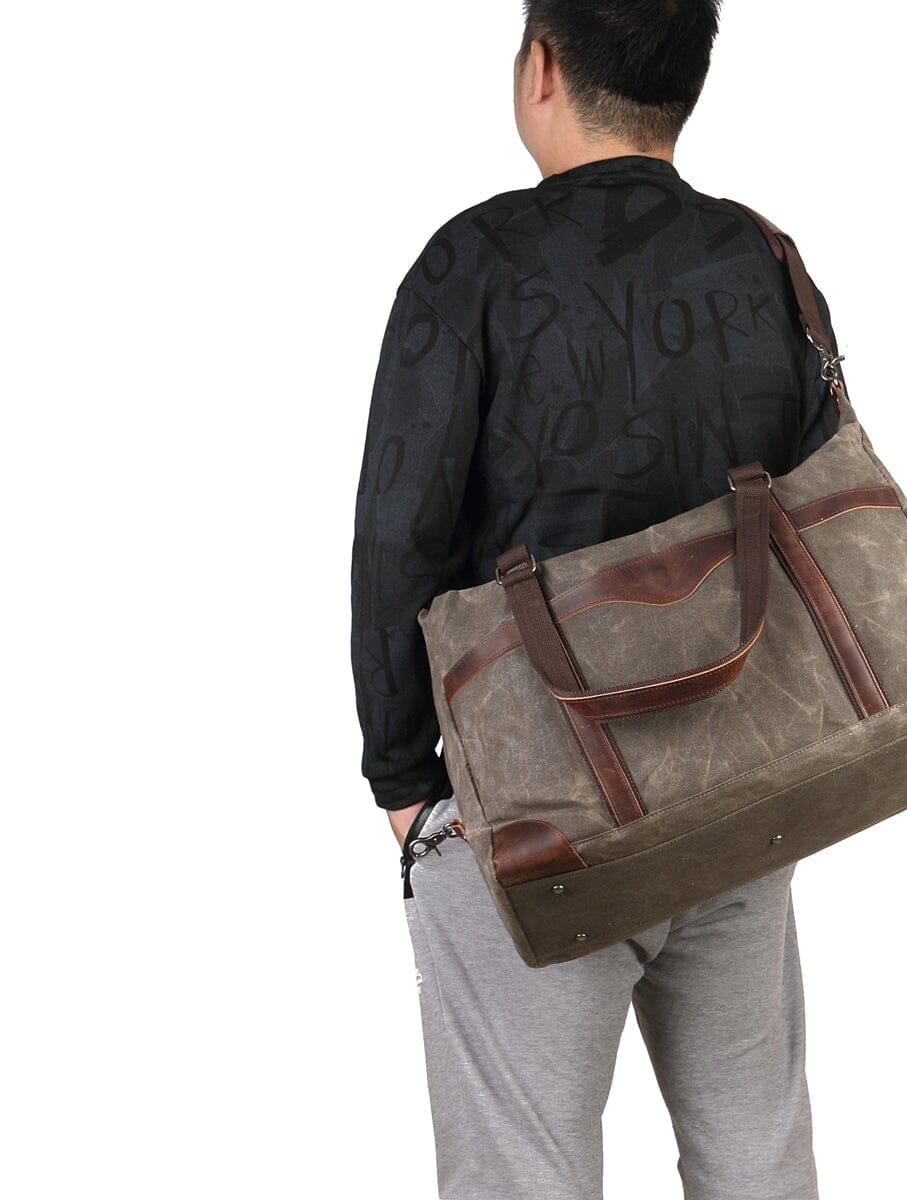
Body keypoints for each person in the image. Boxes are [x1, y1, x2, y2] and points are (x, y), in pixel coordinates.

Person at [350, 3, 840, 1196]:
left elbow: (397, 538)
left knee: (524, 1175)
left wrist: (405, 785)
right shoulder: (764, 258)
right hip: (736, 792)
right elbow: (820, 518)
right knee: (757, 1158)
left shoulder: (470, 265)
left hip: (528, 815)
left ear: (542, 66)